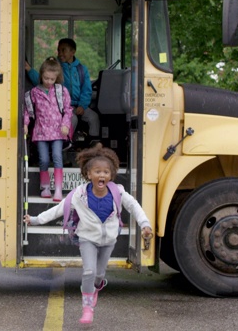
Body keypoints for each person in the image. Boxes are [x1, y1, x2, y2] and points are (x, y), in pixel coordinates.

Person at [23, 143, 153, 325]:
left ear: (111, 175)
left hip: (108, 240)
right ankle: (87, 308)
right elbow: (59, 209)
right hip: (87, 239)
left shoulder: (118, 192)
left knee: (99, 275)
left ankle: (98, 286)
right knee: (89, 271)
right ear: (88, 174)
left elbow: (134, 206)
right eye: (97, 171)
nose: (102, 175)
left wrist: (145, 224)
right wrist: (36, 219)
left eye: (106, 172)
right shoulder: (79, 195)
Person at [26, 38, 100, 143]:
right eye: (58, 50)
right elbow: (41, 81)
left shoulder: (82, 69)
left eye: (63, 50)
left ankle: (94, 144)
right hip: (61, 106)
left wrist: (82, 105)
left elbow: (86, 90)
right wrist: (29, 69)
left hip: (79, 105)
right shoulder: (56, 67)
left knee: (94, 117)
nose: (60, 53)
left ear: (72, 52)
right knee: (72, 119)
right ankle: (66, 144)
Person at [23, 56, 73, 201]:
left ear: (57, 78)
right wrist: (25, 124)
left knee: (57, 157)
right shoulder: (34, 93)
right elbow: (27, 110)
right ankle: (45, 187)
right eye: (46, 78)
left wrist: (65, 124)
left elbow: (68, 110)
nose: (49, 82)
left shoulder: (61, 91)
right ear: (41, 76)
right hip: (41, 132)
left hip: (58, 131)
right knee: (43, 159)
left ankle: (58, 189)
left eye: (52, 79)